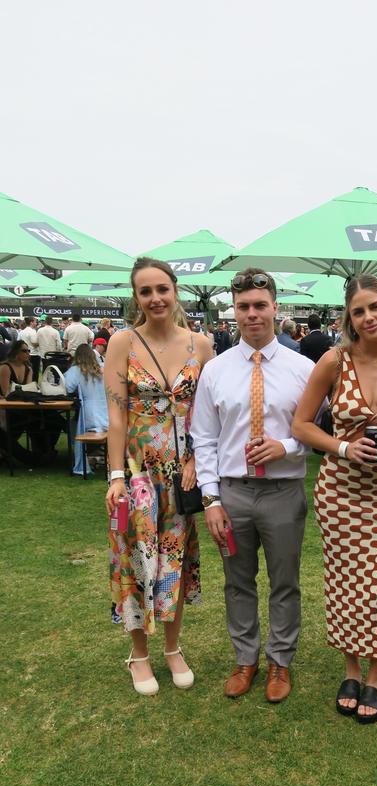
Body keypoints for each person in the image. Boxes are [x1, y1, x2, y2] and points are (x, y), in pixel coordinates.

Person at [292, 274, 377, 723]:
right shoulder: (334, 360)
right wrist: (343, 446)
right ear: (349, 319)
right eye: (358, 311)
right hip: (341, 489)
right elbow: (302, 425)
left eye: (375, 307)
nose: (368, 317)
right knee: (346, 583)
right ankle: (351, 669)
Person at [191, 268, 315, 704]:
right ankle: (246, 660)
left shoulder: (305, 369)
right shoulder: (216, 371)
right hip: (233, 494)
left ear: (275, 308)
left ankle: (280, 661)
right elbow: (203, 437)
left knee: (285, 582)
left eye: (260, 305)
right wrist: (210, 499)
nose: (252, 314)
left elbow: (317, 431)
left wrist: (287, 446)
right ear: (234, 311)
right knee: (237, 581)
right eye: (243, 306)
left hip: (283, 494)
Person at [104, 257, 213, 695]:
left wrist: (196, 461)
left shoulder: (201, 345)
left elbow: (208, 413)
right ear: (136, 297)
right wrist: (115, 476)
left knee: (175, 561)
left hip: (182, 474)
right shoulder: (122, 343)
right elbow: (116, 417)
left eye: (162, 289)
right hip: (138, 472)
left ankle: (172, 648)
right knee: (135, 559)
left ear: (175, 291)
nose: (155, 298)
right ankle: (139, 653)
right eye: (145, 291)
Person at [0, 340, 62, 464]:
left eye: (28, 350)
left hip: (21, 406)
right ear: (16, 352)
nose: (28, 353)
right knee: (33, 419)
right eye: (24, 350)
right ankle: (37, 456)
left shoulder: (28, 368)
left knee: (51, 418)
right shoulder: (5, 368)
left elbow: (27, 390)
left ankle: (44, 450)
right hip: (6, 407)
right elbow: (5, 393)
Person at [64, 343, 110, 476]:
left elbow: (68, 388)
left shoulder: (75, 370)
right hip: (107, 414)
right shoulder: (103, 368)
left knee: (71, 424)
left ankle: (87, 455)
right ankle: (94, 455)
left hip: (89, 415)